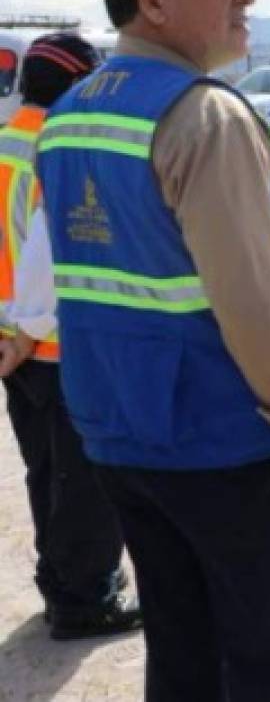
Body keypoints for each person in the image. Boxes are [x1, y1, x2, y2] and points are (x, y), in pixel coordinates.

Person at [36, 0, 270, 701]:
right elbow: (258, 303)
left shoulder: (72, 115)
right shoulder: (203, 117)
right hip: (227, 445)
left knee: (181, 655)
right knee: (265, 667)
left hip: (120, 440)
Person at [0, 33, 142, 640]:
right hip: (53, 344)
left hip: (11, 351)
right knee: (83, 480)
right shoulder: (62, 148)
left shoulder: (3, 145)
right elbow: (49, 255)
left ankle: (58, 582)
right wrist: (30, 333)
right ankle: (85, 600)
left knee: (43, 471)